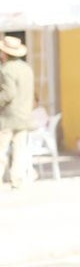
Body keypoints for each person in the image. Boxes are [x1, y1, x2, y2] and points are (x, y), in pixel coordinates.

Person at [0, 35, 35, 189]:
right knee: (19, 149)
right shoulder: (27, 68)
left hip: (8, 116)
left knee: (1, 149)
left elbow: (8, 93)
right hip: (24, 114)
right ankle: (17, 179)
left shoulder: (6, 69)